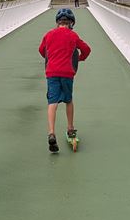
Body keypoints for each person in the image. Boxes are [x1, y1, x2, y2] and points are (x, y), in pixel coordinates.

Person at [38, 8, 91, 153]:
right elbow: (86, 49)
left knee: (52, 102)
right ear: (71, 23)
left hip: (52, 72)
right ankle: (70, 128)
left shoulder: (48, 35)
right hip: (67, 73)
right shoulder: (73, 35)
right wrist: (80, 58)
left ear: (58, 23)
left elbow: (42, 50)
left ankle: (51, 132)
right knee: (68, 100)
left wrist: (51, 58)